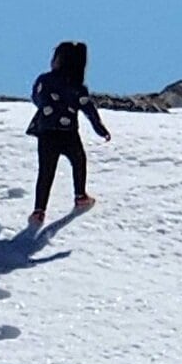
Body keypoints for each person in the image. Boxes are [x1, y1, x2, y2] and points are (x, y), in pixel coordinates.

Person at [26, 41, 111, 228]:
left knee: (46, 171)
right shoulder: (77, 87)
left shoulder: (45, 80)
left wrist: (47, 106)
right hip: (68, 133)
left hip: (47, 131)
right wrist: (99, 128)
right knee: (79, 161)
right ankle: (80, 195)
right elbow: (89, 109)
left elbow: (36, 96)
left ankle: (39, 211)